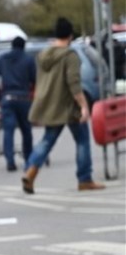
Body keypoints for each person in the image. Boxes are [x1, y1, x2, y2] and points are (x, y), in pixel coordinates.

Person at [23, 17, 104, 194]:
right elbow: (74, 83)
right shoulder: (70, 56)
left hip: (50, 106)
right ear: (70, 35)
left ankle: (30, 171)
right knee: (82, 140)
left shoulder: (43, 55)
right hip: (68, 106)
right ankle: (85, 179)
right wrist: (83, 106)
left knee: (47, 140)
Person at [0, 37, 36, 172]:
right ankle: (28, 158)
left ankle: (10, 161)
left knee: (8, 131)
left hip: (7, 98)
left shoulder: (2, 59)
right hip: (23, 98)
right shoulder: (28, 60)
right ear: (23, 46)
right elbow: (35, 79)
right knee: (26, 130)